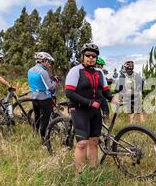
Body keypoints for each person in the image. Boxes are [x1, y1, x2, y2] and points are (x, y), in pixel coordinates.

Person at [65, 43, 116, 174]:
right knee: (82, 143)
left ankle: (93, 170)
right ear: (83, 56)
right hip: (80, 110)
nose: (91, 58)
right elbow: (69, 93)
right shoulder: (75, 71)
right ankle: (79, 174)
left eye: (94, 56)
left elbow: (105, 91)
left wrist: (112, 99)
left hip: (95, 111)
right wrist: (89, 102)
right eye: (88, 55)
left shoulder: (99, 73)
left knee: (94, 141)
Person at [27, 52, 57, 143]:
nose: (49, 64)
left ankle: (35, 134)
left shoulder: (30, 70)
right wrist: (55, 82)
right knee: (45, 121)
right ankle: (44, 140)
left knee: (37, 117)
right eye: (48, 61)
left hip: (34, 97)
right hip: (44, 99)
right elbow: (50, 88)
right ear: (43, 60)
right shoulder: (43, 72)